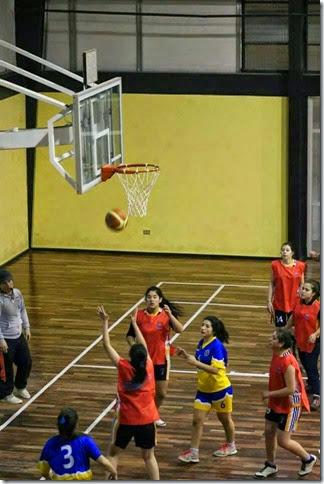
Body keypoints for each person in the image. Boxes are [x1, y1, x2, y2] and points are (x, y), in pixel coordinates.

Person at [98, 305, 160, 480]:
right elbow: (145, 345)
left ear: (131, 356)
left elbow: (106, 344)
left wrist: (105, 322)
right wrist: (135, 324)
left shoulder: (124, 366)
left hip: (126, 420)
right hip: (148, 420)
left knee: (113, 453)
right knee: (149, 456)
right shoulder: (149, 366)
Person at [254, 329, 317, 479]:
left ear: (281, 343)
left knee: (283, 440)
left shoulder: (288, 362)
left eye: (274, 338)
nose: (270, 339)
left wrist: (269, 394)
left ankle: (308, 459)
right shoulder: (277, 354)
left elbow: (290, 389)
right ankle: (270, 465)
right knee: (269, 432)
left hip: (290, 405)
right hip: (277, 402)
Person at [177, 316, 236, 463]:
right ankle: (194, 452)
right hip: (203, 390)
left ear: (214, 330)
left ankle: (231, 445)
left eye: (207, 326)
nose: (203, 328)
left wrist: (195, 362)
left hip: (220, 390)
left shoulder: (217, 346)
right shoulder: (201, 343)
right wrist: (187, 356)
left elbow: (216, 370)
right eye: (202, 325)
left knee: (225, 420)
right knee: (197, 421)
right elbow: (200, 361)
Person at [126, 286, 183, 426]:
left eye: (154, 297)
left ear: (160, 299)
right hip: (143, 360)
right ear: (145, 299)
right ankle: (144, 416)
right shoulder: (138, 315)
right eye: (149, 297)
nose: (151, 299)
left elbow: (180, 329)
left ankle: (152, 413)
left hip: (161, 359)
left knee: (161, 393)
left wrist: (170, 316)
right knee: (142, 391)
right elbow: (129, 336)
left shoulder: (165, 314)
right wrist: (135, 348)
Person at [38, 407, 117, 480]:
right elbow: (103, 462)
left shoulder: (50, 444)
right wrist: (114, 472)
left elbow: (44, 471)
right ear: (76, 425)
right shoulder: (85, 440)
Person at [286, 279, 320, 411]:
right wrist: (285, 329)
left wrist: (316, 334)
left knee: (311, 369)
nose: (302, 291)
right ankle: (312, 385)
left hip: (313, 342)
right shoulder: (298, 302)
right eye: (302, 288)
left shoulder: (318, 307)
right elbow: (293, 318)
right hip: (300, 340)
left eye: (306, 290)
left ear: (313, 293)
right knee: (305, 364)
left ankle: (318, 396)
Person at [0, 269, 32, 404]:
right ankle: (6, 394)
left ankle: (20, 386)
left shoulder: (17, 293)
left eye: (10, 280)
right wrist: (1, 340)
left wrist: (27, 327)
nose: (9, 284)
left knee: (26, 362)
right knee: (6, 369)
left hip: (18, 335)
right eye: (5, 282)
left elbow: (22, 309)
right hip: (6, 339)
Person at [267, 242, 306, 328]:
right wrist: (269, 301)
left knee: (294, 329)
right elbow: (271, 283)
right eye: (283, 250)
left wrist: (302, 299)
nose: (284, 252)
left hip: (295, 303)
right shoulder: (275, 265)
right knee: (280, 329)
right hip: (279, 303)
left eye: (287, 250)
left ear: (292, 253)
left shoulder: (300, 266)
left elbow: (302, 283)